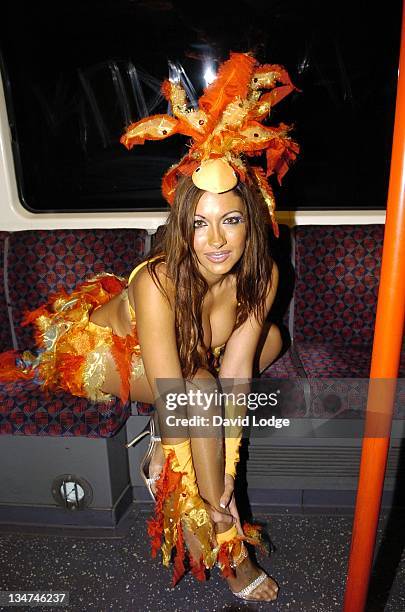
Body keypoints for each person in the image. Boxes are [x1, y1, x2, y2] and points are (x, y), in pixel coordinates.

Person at [0, 52, 299, 602]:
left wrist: (228, 464)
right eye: (199, 224)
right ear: (180, 227)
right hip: (98, 349)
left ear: (251, 222)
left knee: (266, 344)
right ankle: (226, 541)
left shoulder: (264, 274)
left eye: (230, 220)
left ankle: (195, 473)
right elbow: (177, 393)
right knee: (197, 395)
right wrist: (216, 488)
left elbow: (238, 370)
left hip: (180, 351)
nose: (215, 241)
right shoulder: (158, 281)